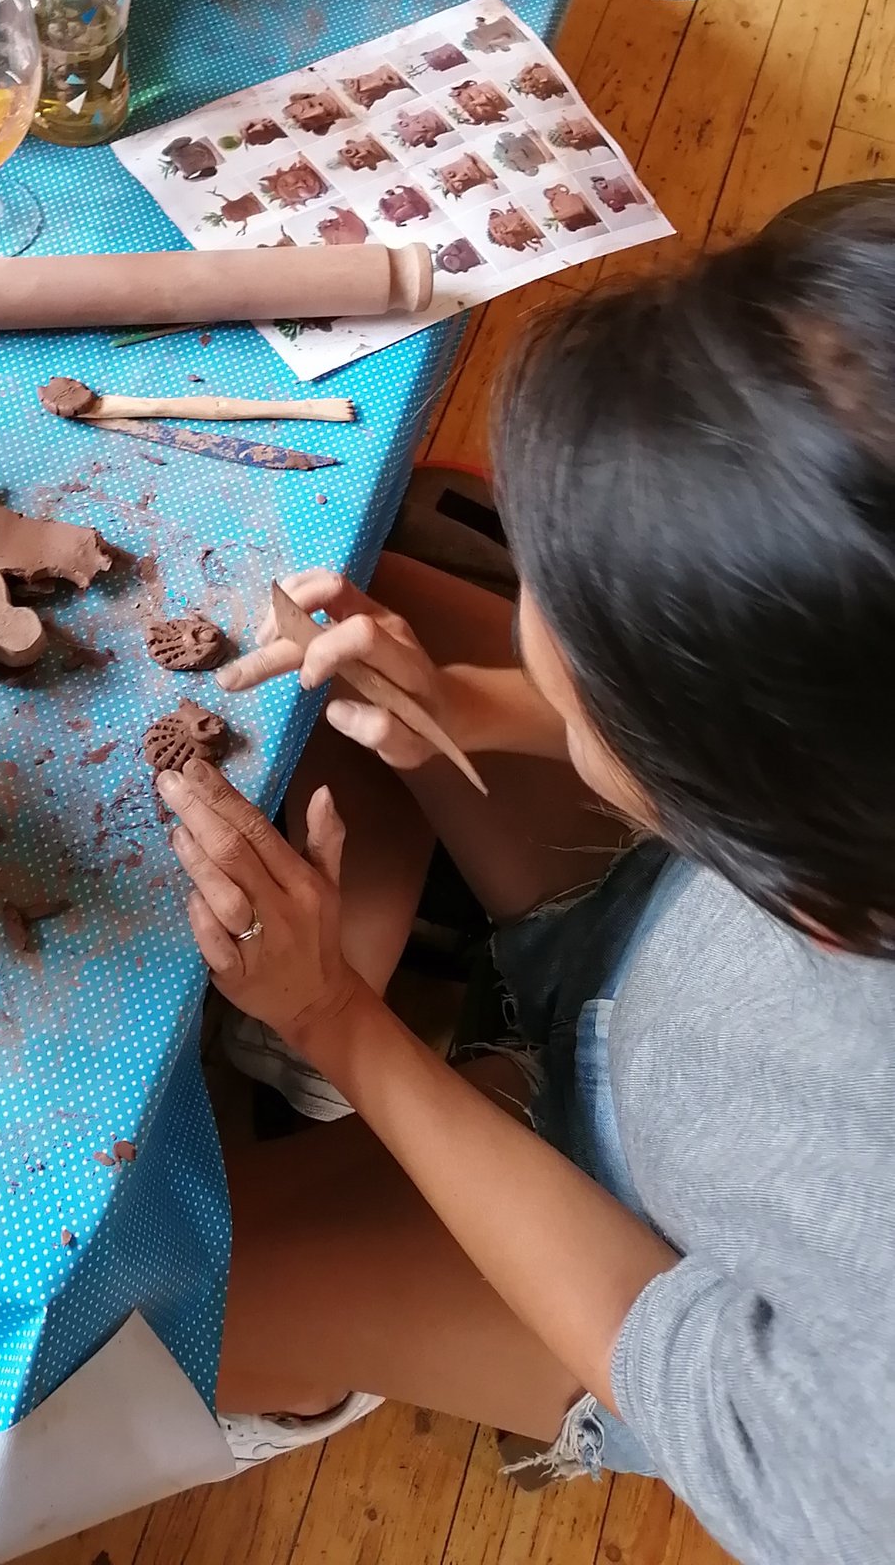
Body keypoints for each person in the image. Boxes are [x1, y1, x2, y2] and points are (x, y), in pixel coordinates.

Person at [157, 189, 895, 1565]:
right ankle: (448, 1033)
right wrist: (475, 705)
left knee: (151, 1315)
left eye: (593, 684)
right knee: (375, 559)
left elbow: (658, 1339)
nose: (531, 643)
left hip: (634, 1251)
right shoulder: (843, 798)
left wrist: (341, 1023)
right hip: (650, 948)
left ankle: (335, 1321)